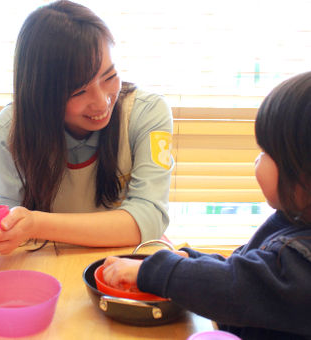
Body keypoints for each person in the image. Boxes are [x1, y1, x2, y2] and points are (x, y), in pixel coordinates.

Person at [0, 0, 174, 257]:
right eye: (79, 91)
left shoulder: (147, 113)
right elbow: (11, 211)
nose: (102, 101)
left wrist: (37, 224)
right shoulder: (11, 127)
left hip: (129, 259)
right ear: (41, 93)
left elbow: (149, 217)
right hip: (49, 258)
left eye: (109, 77)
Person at [102, 71, 311, 340]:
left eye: (266, 153)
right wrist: (191, 260)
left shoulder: (302, 261)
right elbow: (245, 267)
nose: (257, 162)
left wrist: (152, 271)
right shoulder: (292, 222)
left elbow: (237, 287)